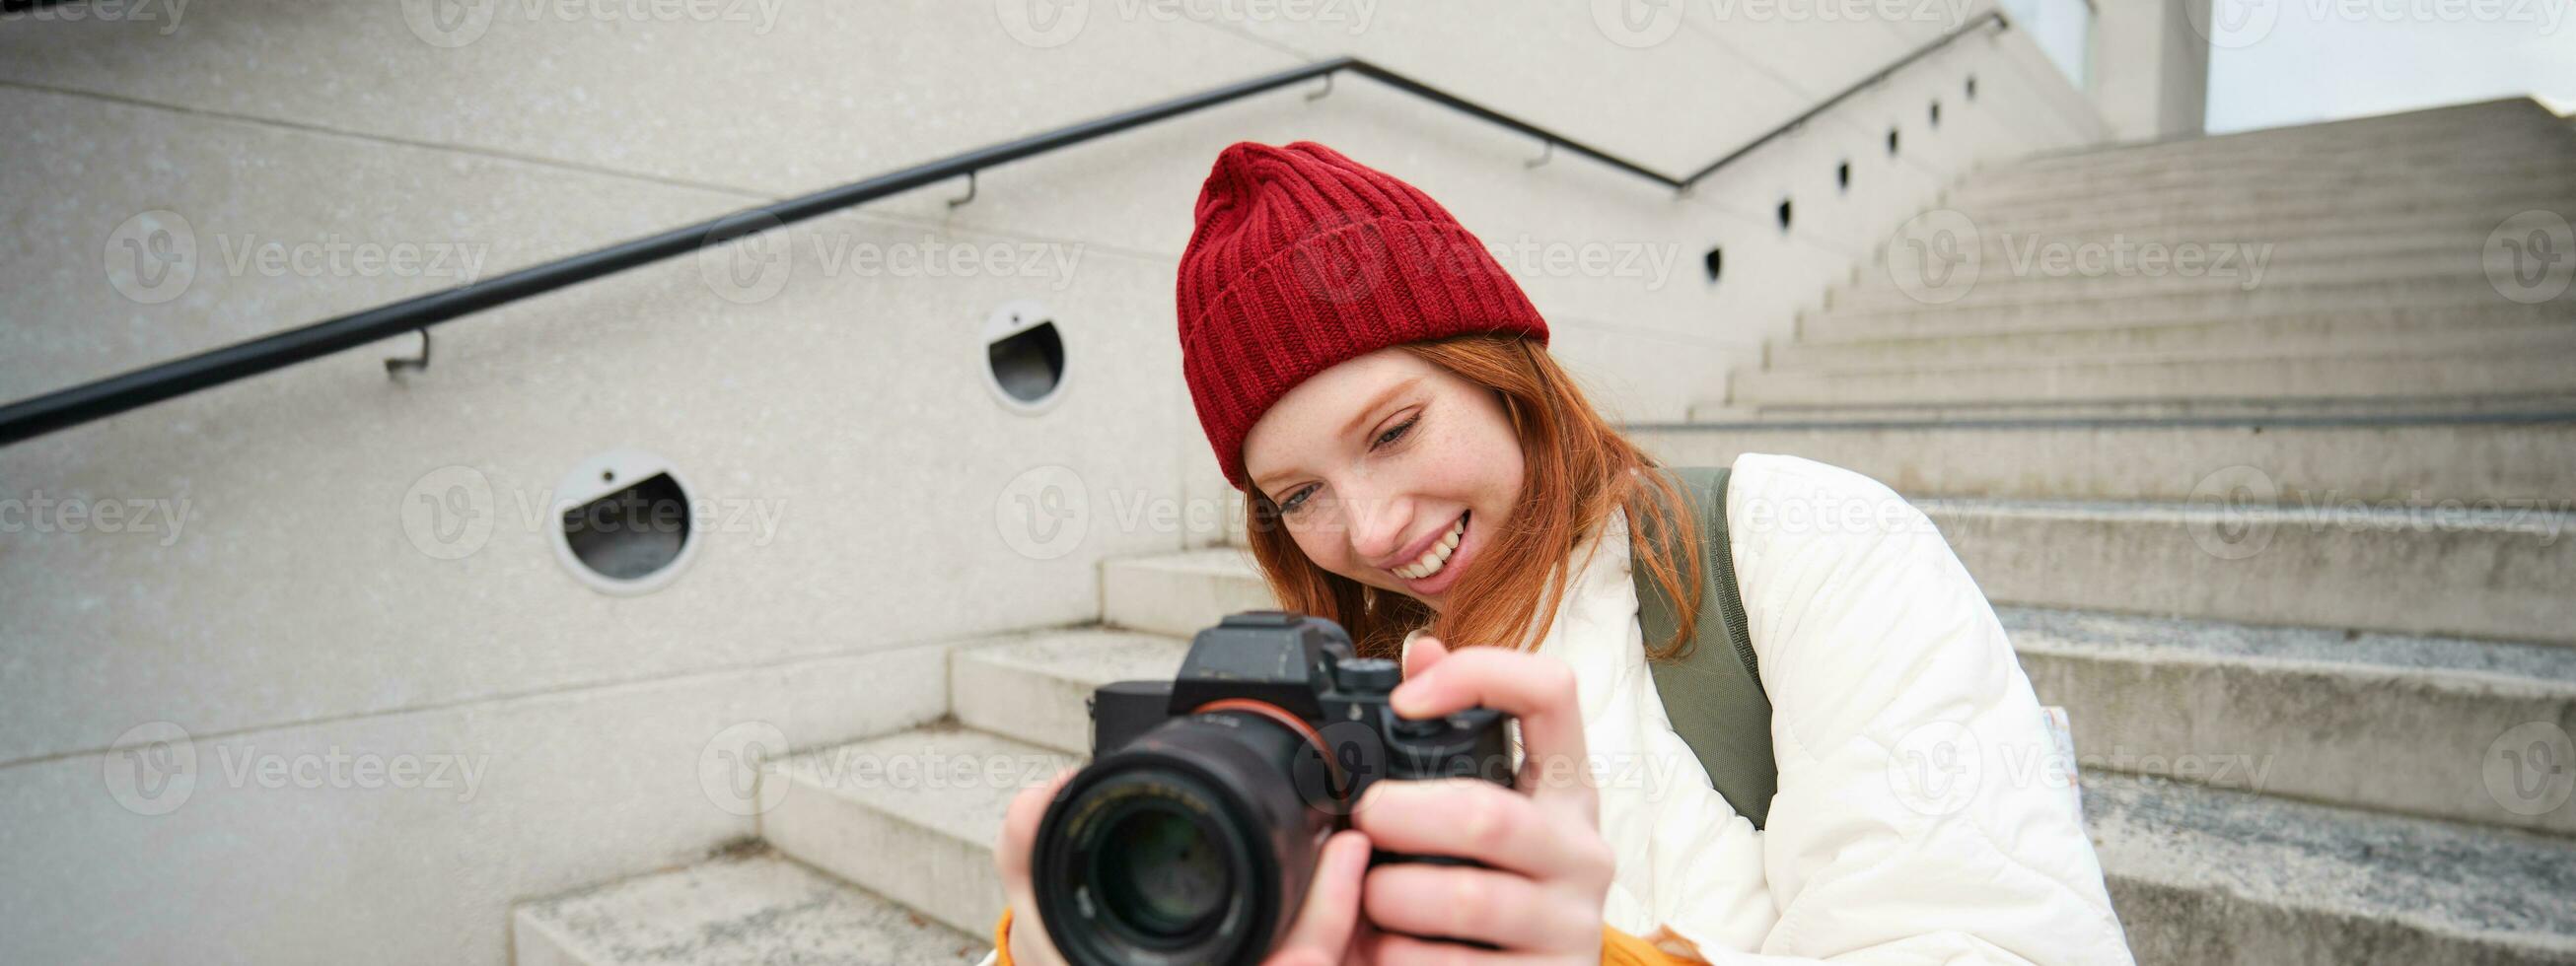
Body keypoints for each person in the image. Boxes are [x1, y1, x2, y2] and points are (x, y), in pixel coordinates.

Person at [982, 140, 2134, 964]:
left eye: (1392, 430)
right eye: (1298, 494)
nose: (1372, 529)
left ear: (1500, 371)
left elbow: (1991, 930)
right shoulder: (1307, 699)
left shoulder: (1798, 543)